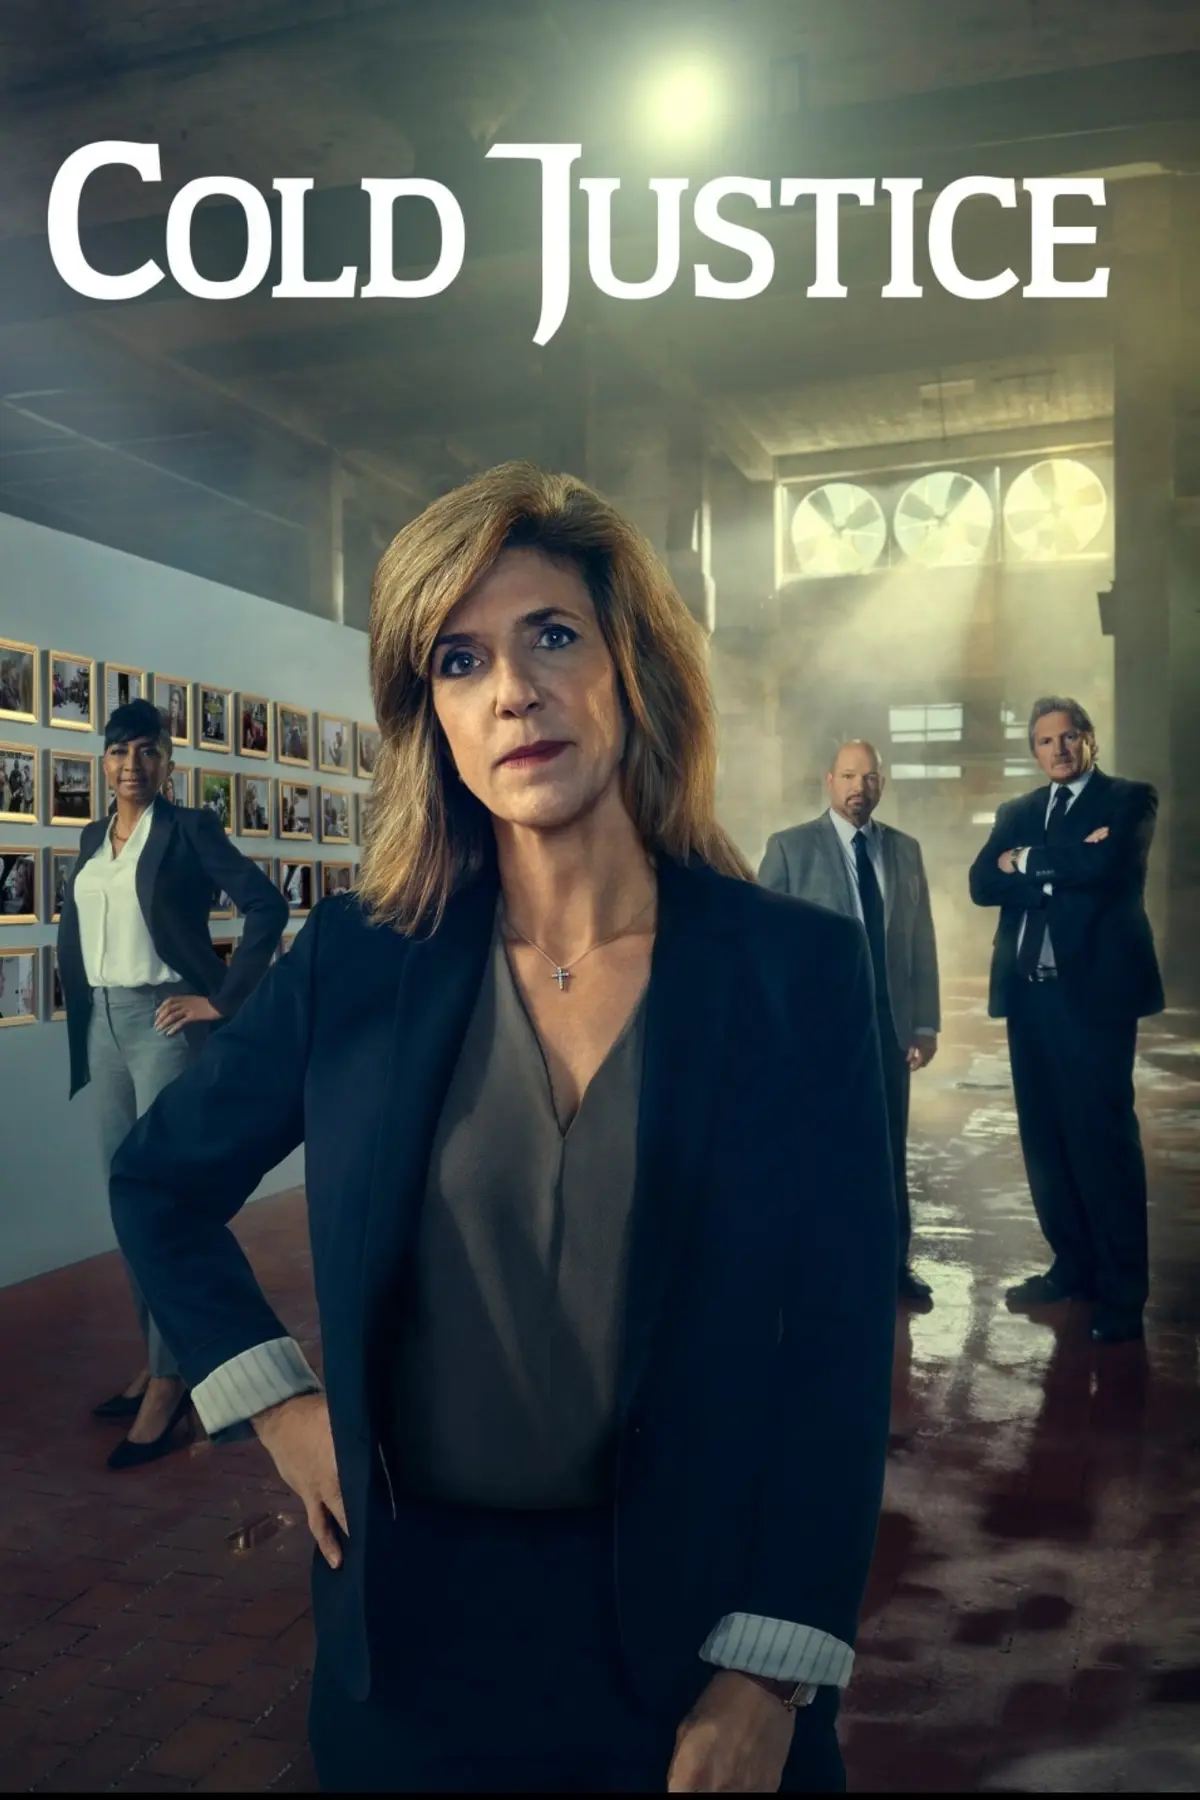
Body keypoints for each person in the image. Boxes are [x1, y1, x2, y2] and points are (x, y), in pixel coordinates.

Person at [111, 464, 897, 1794]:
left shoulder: (792, 972)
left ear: (630, 669)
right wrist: (279, 1404)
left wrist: (775, 1667)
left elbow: (839, 1334)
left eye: (551, 637)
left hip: (699, 1652)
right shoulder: (362, 959)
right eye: (460, 661)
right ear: (431, 717)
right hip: (415, 1653)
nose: (512, 691)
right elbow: (158, 1183)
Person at [57, 698, 287, 1470]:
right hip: (104, 1027)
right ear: (104, 761)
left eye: (148, 751)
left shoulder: (190, 830)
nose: (134, 765)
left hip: (162, 1025)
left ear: (168, 761)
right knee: (126, 1198)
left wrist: (220, 999)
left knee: (163, 1201)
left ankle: (169, 1382)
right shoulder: (92, 839)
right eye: (120, 752)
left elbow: (265, 905)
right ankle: (159, 1359)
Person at [968, 697, 1163, 1346]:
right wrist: (1060, 865)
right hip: (1029, 998)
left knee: (1102, 1142)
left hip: (1095, 1001)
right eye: (1045, 740)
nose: (1058, 748)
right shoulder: (1017, 812)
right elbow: (980, 882)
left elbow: (1108, 867)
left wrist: (1024, 862)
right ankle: (1071, 1266)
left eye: (1069, 736)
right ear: (1034, 750)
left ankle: (1122, 1293)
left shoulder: (1129, 799)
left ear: (1089, 740)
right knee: (1046, 1141)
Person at [759, 741, 941, 1306]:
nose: (859, 787)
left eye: (870, 777)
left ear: (882, 784)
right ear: (829, 781)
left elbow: (920, 940)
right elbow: (763, 945)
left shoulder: (904, 850)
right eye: (849, 776)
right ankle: (820, 1272)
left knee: (888, 1153)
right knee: (819, 1150)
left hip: (888, 1028)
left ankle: (891, 1269)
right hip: (816, 1034)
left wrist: (925, 1024)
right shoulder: (789, 848)